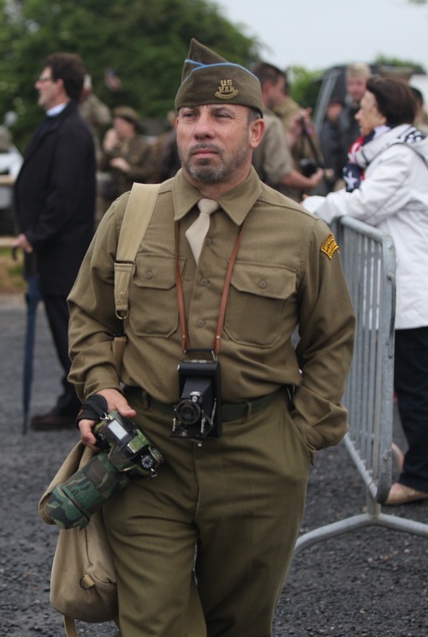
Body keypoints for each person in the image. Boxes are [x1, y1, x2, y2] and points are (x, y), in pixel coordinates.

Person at [67, 39, 355, 636]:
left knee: (240, 625)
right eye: (189, 116)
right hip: (147, 453)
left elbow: (331, 337)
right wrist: (101, 387)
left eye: (221, 117)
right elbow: (88, 316)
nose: (202, 130)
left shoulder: (303, 233)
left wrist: (300, 439)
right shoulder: (130, 213)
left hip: (257, 456)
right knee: (153, 624)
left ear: (255, 132)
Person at [303, 76, 428, 506]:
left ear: (383, 113)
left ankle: (423, 476)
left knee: (414, 383)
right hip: (398, 284)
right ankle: (389, 450)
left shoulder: (400, 156)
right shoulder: (383, 152)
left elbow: (364, 203)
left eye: (364, 105)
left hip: (412, 286)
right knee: (393, 377)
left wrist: (310, 208)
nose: (357, 113)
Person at [13, 53, 97, 431]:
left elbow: (64, 195)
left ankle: (82, 402)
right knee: (62, 328)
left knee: (70, 331)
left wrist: (35, 233)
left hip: (64, 251)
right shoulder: (56, 125)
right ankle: (73, 398)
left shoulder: (71, 130)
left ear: (60, 84)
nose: (37, 84)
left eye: (43, 78)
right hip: (53, 251)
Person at [251, 62, 325, 200]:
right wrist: (311, 182)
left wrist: (291, 135)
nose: (283, 95)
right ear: (268, 87)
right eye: (280, 89)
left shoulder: (241, 118)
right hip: (273, 200)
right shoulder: (271, 123)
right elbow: (280, 172)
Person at [97, 105, 155, 221]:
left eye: (120, 124)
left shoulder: (143, 146)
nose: (116, 128)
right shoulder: (115, 144)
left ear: (131, 125)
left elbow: (149, 172)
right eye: (115, 125)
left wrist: (127, 168)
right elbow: (101, 167)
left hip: (133, 201)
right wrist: (108, 148)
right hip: (113, 202)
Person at [337, 62, 371, 160]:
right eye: (350, 83)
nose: (354, 88)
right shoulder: (344, 113)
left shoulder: (374, 112)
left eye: (359, 83)